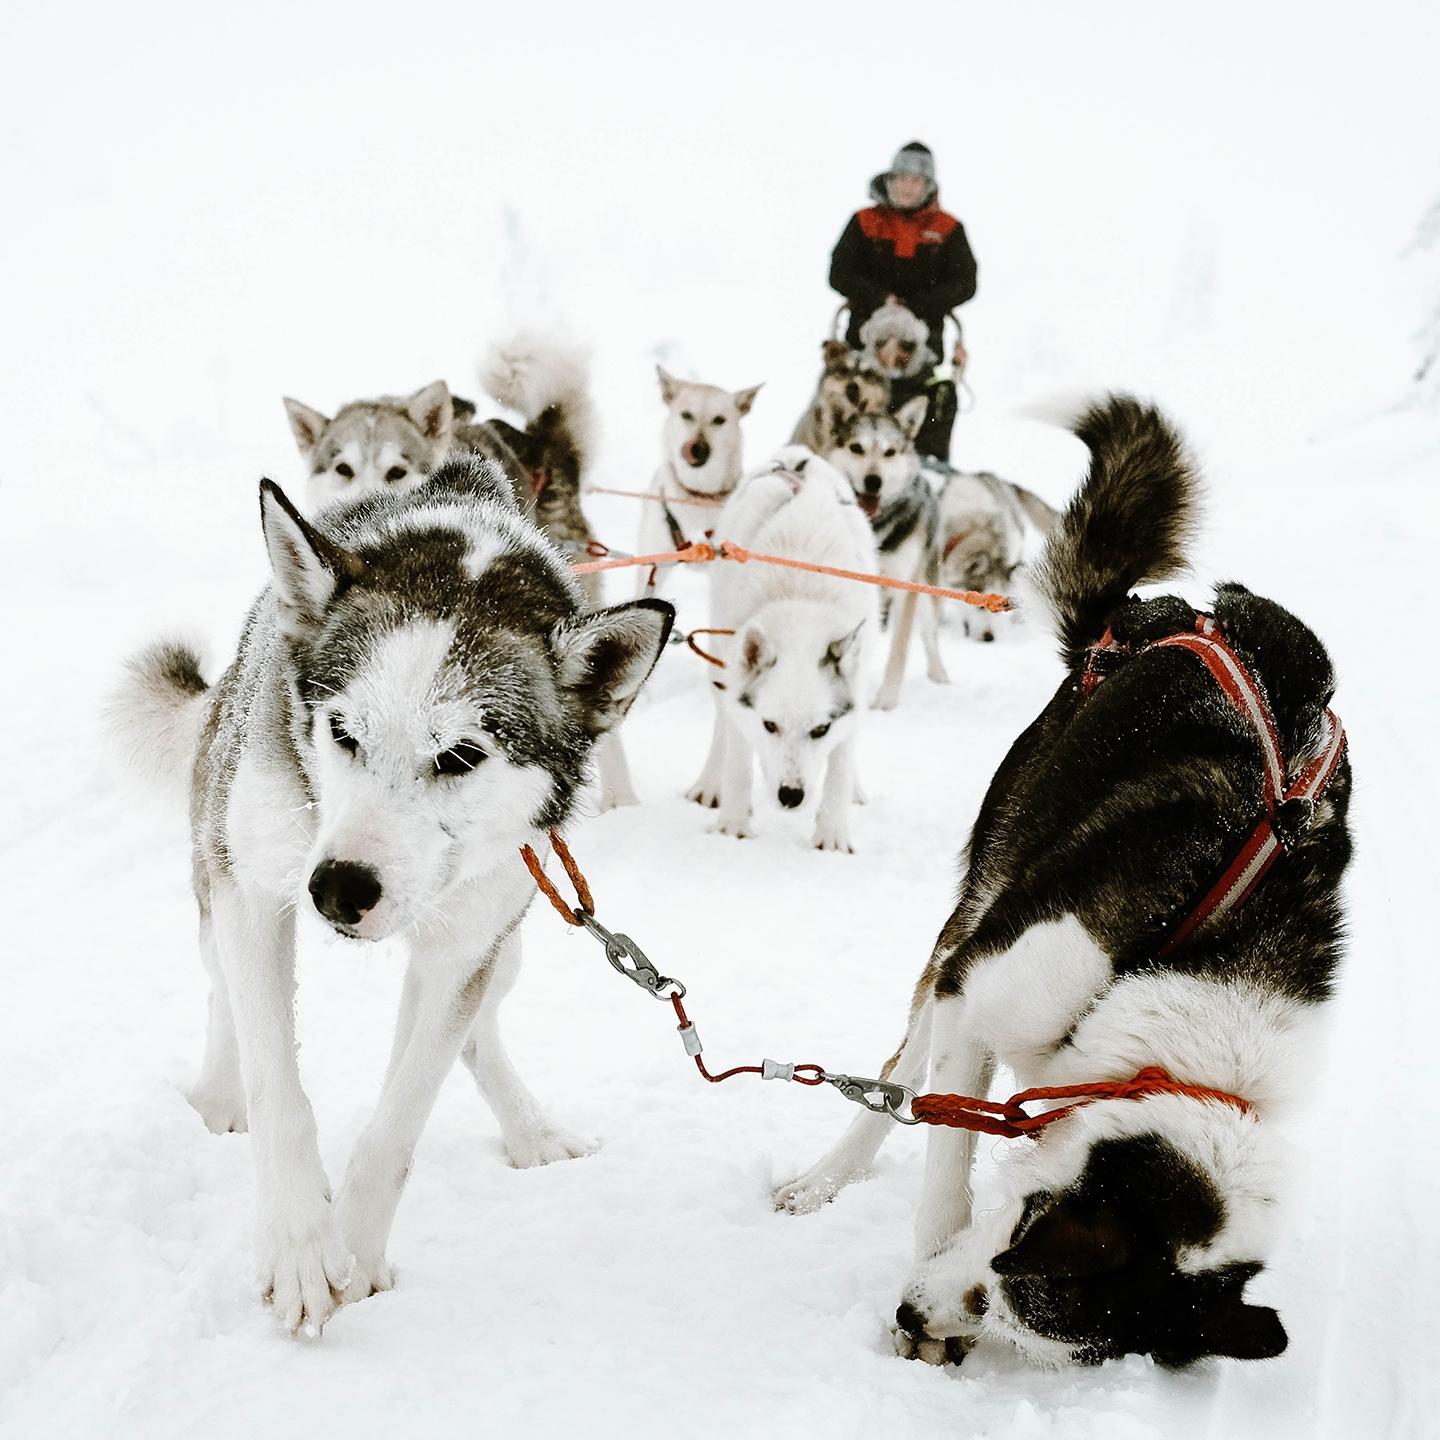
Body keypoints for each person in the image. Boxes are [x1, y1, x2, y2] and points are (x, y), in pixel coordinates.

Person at [829, 141, 978, 459]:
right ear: (888, 181)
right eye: (900, 178)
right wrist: (880, 298)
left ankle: (931, 469)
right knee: (837, 404)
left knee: (940, 400)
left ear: (928, 186)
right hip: (862, 349)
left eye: (915, 180)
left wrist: (919, 305)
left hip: (924, 353)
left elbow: (966, 283)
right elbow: (839, 272)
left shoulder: (947, 230)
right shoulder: (864, 222)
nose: (906, 187)